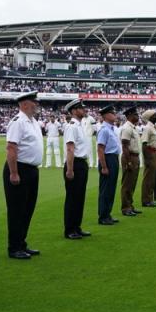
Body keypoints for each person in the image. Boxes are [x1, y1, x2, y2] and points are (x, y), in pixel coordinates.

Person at [3, 91, 44, 259]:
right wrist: (13, 172)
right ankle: (14, 247)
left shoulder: (33, 122)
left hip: (32, 170)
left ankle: (22, 243)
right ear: (24, 104)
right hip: (19, 169)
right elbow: (11, 148)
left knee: (28, 209)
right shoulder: (18, 122)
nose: (37, 104)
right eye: (34, 101)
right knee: (17, 210)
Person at [62, 99, 93, 239]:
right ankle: (69, 229)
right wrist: (69, 169)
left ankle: (77, 226)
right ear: (74, 111)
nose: (84, 110)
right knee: (72, 198)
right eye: (81, 108)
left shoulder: (79, 125)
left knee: (80, 198)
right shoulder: (72, 126)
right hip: (74, 164)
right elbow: (70, 148)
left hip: (81, 163)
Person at [96, 104, 122, 225]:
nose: (115, 115)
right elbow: (100, 149)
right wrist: (104, 166)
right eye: (112, 113)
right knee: (105, 190)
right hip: (107, 159)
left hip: (113, 159)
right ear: (106, 115)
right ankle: (103, 216)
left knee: (111, 189)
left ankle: (108, 214)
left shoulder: (111, 129)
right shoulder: (104, 130)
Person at [118, 106, 142, 217]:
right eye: (135, 115)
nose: (137, 116)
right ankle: (125, 208)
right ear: (129, 116)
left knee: (132, 183)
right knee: (127, 184)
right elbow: (125, 145)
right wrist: (128, 162)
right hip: (129, 157)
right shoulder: (127, 128)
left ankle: (130, 206)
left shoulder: (133, 128)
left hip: (135, 156)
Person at [140, 110, 156, 207]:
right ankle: (146, 200)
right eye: (155, 115)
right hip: (150, 153)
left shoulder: (153, 127)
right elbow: (144, 144)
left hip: (154, 152)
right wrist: (147, 158)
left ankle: (150, 199)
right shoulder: (148, 128)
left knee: (152, 178)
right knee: (148, 178)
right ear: (150, 117)